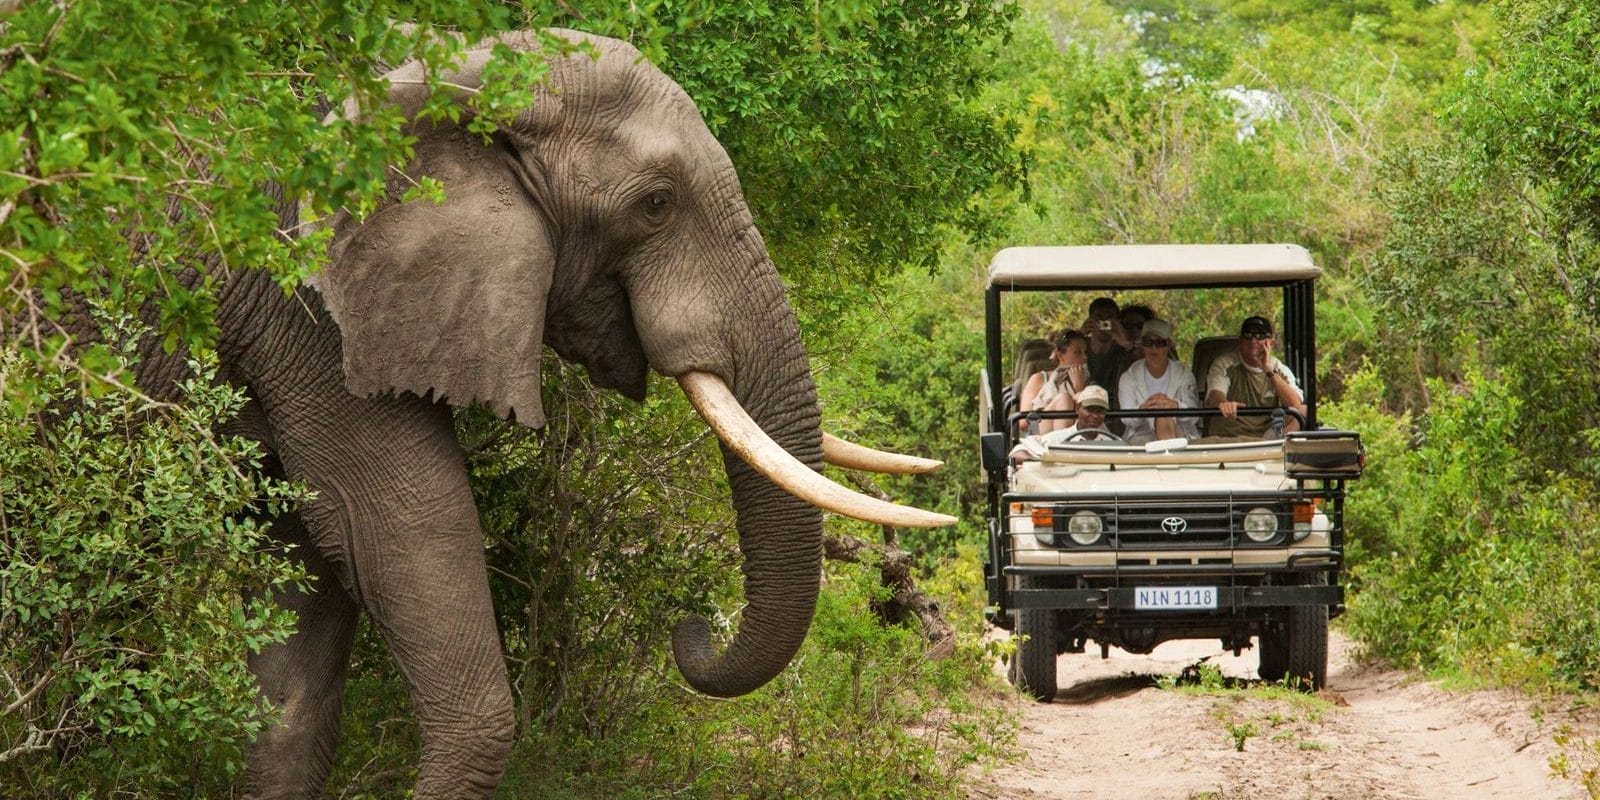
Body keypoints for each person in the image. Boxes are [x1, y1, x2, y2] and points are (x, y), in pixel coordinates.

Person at [1205, 315, 1305, 439]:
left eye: (1260, 336)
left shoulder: (1280, 369)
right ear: (1240, 340)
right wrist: (1224, 404)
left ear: (1271, 343)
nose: (1253, 341)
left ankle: (1278, 449)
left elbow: (1296, 405)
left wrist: (1269, 371)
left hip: (1266, 440)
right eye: (1248, 335)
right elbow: (1215, 394)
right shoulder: (1224, 364)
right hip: (1229, 437)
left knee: (1304, 410)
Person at [1117, 318, 1199, 444]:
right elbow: (1126, 419)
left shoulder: (1184, 373)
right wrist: (1142, 410)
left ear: (1169, 345)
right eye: (1148, 342)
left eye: (1159, 342)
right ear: (1142, 345)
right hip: (1140, 439)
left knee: (1163, 415)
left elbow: (1194, 415)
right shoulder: (1128, 377)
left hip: (1181, 435)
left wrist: (1174, 406)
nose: (1153, 348)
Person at [1011, 385, 1115, 461]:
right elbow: (1017, 452)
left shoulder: (1113, 444)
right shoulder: (1058, 438)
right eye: (1090, 410)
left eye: (1100, 411)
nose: (1095, 416)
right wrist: (1039, 461)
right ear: (1078, 409)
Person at [1018, 329, 1091, 434]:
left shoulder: (1088, 382)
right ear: (1060, 356)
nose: (1084, 358)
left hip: (1081, 434)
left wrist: (1080, 389)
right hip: (1040, 434)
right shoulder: (1039, 379)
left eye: (1085, 352)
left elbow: (1091, 420)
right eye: (1077, 352)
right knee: (1064, 398)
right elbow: (1023, 423)